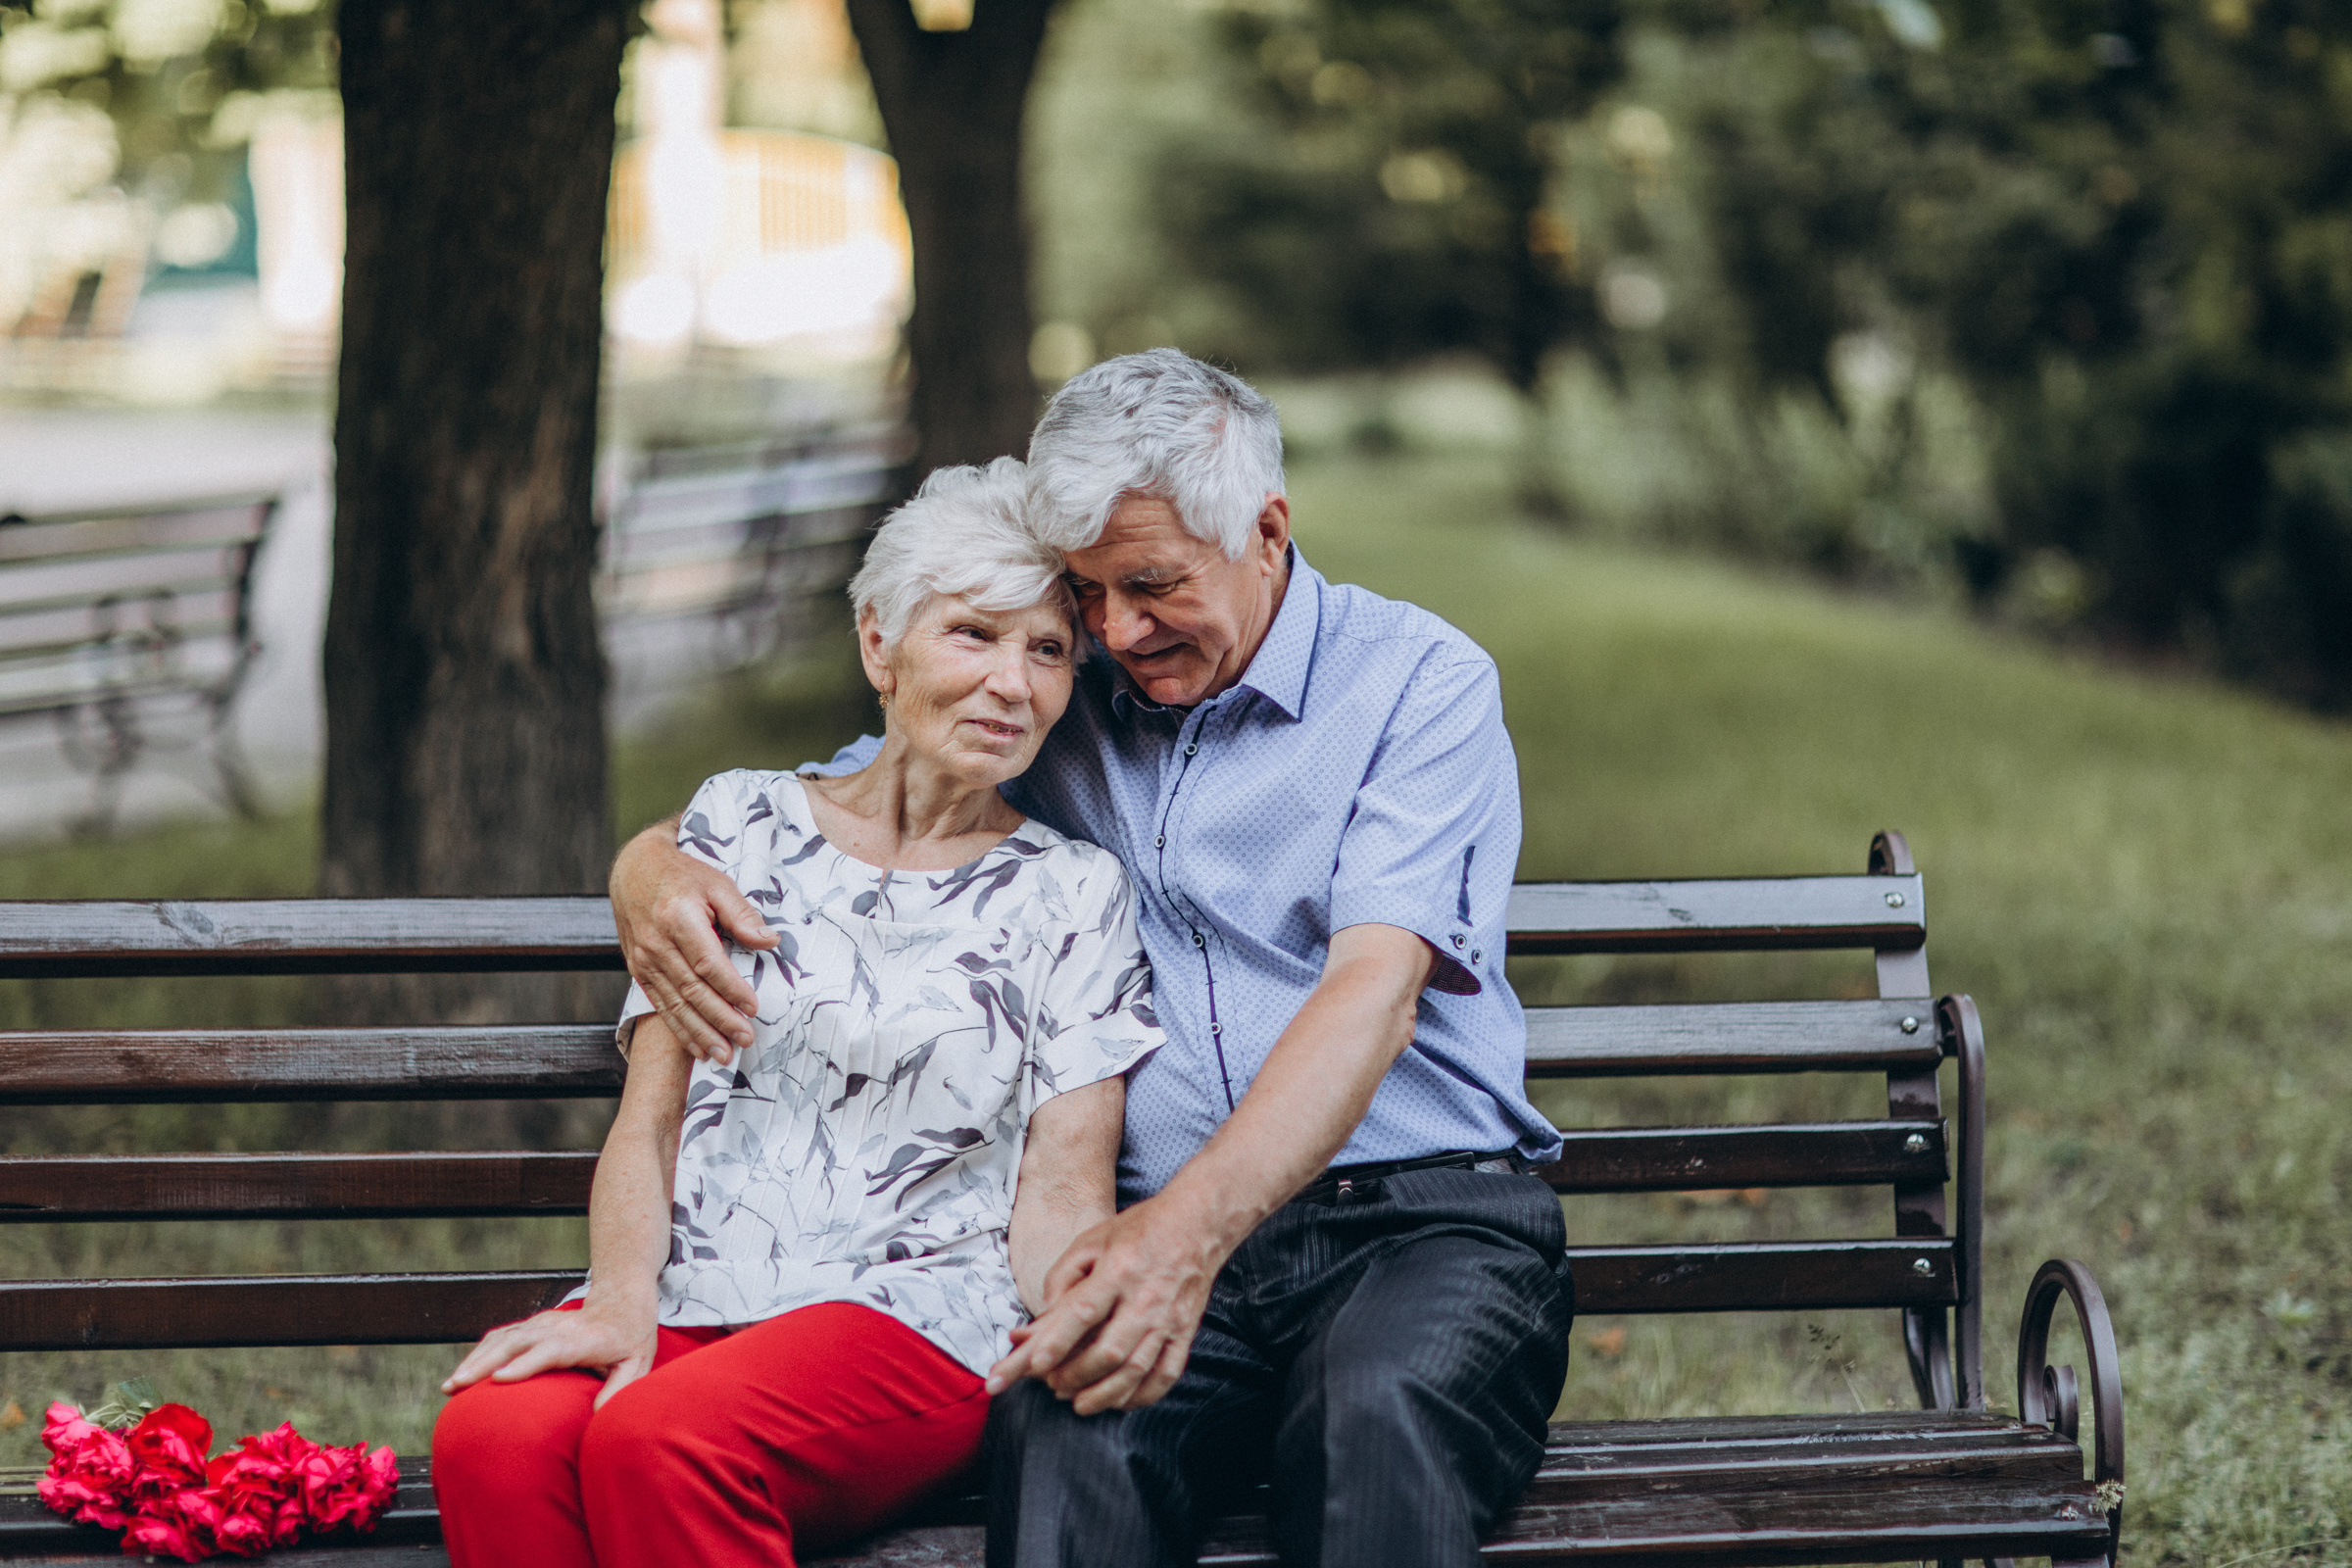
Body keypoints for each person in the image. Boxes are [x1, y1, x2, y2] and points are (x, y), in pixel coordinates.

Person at [611, 350, 1572, 1568]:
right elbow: (835, 798)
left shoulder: (1417, 685)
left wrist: (1180, 1239)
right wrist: (646, 867)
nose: (1116, 631)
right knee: (1064, 1428)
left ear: (1267, 531)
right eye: (1088, 592)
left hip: (1420, 1223)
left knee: (1368, 1425)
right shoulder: (1063, 696)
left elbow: (1372, 993)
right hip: (1158, 1235)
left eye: (1153, 584)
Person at [430, 458, 1163, 1568]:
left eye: (1049, 651)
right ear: (880, 645)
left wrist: (1077, 1323)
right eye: (974, 635)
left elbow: (1065, 1185)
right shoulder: (738, 826)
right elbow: (653, 1120)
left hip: (919, 1318)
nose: (1013, 684)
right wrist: (618, 1301)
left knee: (664, 1441)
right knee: (496, 1435)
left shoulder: (1073, 890)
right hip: (696, 1286)